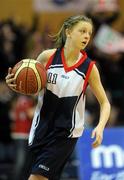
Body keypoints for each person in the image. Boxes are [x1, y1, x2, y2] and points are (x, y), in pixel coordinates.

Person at [5, 15, 111, 180]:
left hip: (65, 133)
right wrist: (16, 84)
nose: (86, 36)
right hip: (41, 128)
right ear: (68, 32)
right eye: (82, 31)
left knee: (37, 178)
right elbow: (32, 88)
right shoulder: (47, 57)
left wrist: (100, 127)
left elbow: (105, 103)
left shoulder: (89, 67)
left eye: (89, 33)